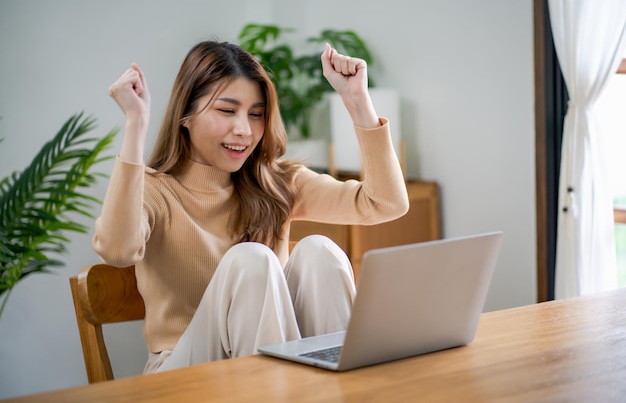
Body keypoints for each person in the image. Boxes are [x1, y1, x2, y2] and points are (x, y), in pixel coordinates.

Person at [93, 40, 409, 373]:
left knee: (320, 252)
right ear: (185, 114)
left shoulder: (276, 182)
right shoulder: (153, 190)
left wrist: (357, 100)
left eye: (256, 114)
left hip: (273, 372)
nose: (244, 130)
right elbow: (117, 251)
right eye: (227, 111)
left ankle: (349, 390)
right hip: (182, 376)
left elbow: (385, 204)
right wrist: (135, 125)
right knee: (251, 258)